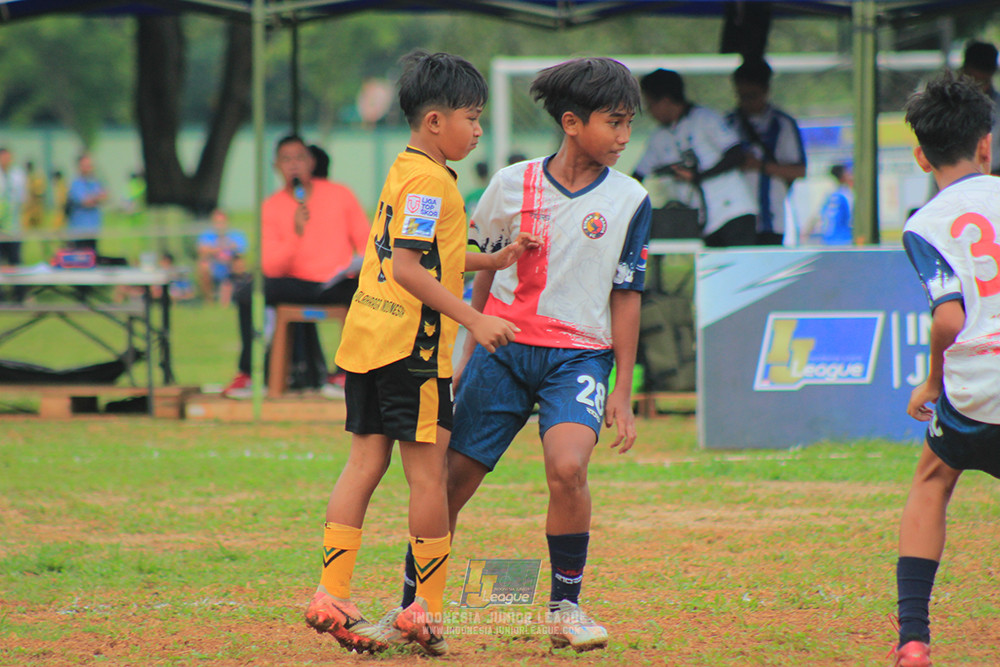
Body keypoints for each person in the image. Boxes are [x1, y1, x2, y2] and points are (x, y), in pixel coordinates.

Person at [382, 56, 650, 654]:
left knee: (569, 468)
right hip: (502, 353)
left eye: (630, 123)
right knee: (448, 484)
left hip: (577, 358)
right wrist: (467, 347)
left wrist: (623, 391)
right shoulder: (510, 185)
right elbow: (472, 269)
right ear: (573, 122)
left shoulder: (631, 199)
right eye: (615, 122)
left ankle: (566, 608)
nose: (625, 137)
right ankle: (414, 609)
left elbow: (627, 297)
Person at [302, 50, 537, 656]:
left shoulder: (407, 169)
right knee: (428, 478)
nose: (479, 128)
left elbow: (418, 254)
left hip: (368, 342)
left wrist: (495, 259)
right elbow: (409, 268)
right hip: (414, 353)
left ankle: (331, 592)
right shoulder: (431, 180)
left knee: (362, 467)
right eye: (472, 116)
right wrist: (475, 317)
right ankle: (424, 611)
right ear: (435, 121)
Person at [890, 72, 999, 667]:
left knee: (933, 479)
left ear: (920, 154)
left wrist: (932, 379)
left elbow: (948, 321)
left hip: (978, 391)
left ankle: (913, 639)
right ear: (986, 143)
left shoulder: (925, 224)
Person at [221, 135, 370, 399]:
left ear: (311, 162)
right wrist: (294, 233)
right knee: (248, 292)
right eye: (286, 159)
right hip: (296, 283)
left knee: (367, 290)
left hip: (335, 282)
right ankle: (248, 372)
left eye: (300, 158)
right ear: (276, 165)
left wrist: (357, 266)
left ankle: (345, 372)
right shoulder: (272, 206)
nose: (294, 165)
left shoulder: (339, 194)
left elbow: (366, 241)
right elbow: (270, 266)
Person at [633, 69, 757, 247]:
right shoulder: (659, 137)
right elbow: (638, 175)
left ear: (666, 101)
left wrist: (699, 176)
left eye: (650, 105)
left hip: (734, 211)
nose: (650, 112)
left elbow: (736, 153)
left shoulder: (705, 119)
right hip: (703, 221)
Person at [727, 56, 807, 245]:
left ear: (766, 91)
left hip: (771, 220)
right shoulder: (727, 124)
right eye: (741, 96)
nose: (746, 102)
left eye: (752, 96)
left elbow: (799, 171)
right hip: (733, 219)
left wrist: (759, 166)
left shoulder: (783, 124)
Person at [959, 40, 1000, 176]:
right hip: (959, 178)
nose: (979, 87)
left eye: (982, 81)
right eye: (974, 79)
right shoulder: (951, 106)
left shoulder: (997, 106)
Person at [196, 209, 247, 305]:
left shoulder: (236, 235)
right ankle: (209, 300)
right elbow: (201, 250)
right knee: (203, 266)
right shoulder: (207, 235)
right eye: (217, 222)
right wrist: (220, 249)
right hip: (214, 266)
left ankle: (239, 297)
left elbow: (240, 251)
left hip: (230, 267)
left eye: (222, 222)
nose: (219, 225)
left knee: (239, 263)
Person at [66, 152, 107, 252]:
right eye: (85, 165)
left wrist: (94, 198)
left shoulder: (95, 182)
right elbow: (85, 201)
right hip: (79, 232)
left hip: (93, 230)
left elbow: (105, 196)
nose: (88, 168)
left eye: (89, 165)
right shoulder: (76, 184)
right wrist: (96, 197)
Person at [810, 163, 853, 246]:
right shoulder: (847, 194)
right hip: (844, 240)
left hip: (828, 241)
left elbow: (818, 216)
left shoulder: (830, 195)